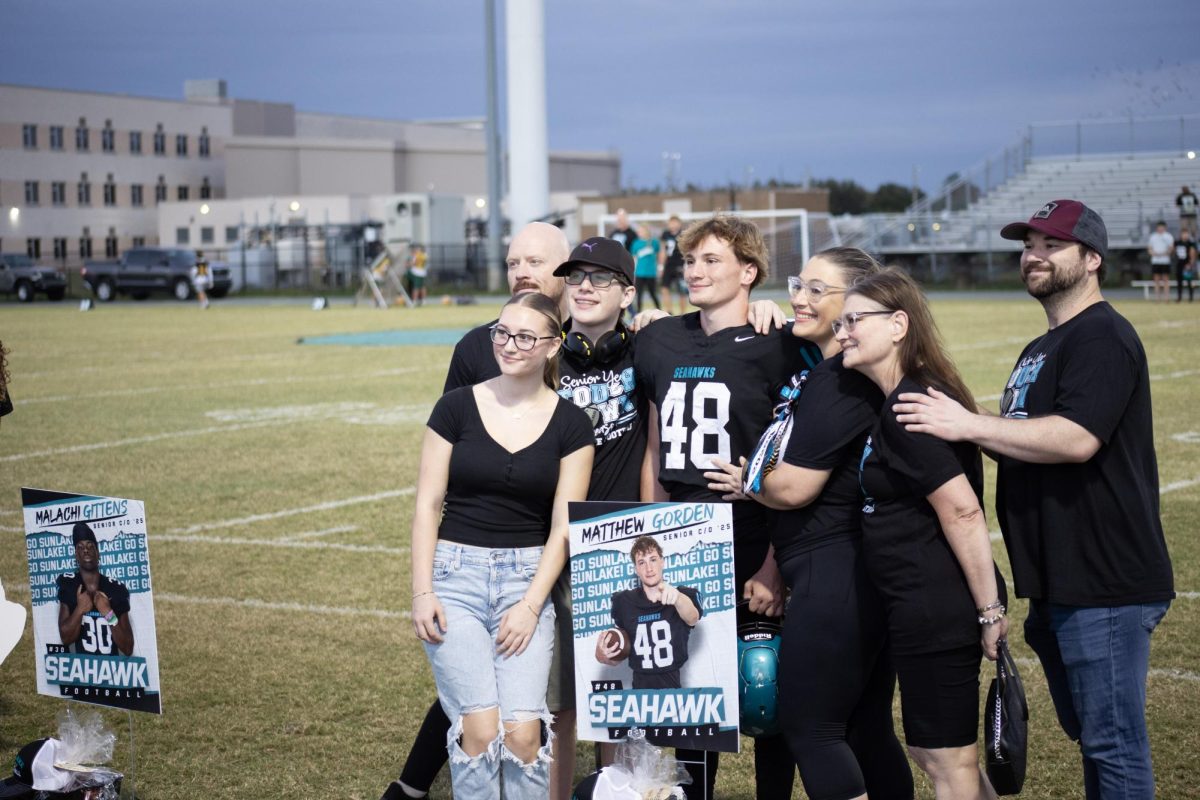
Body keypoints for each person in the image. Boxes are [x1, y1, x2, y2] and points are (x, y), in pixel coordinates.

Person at [893, 199, 1175, 799]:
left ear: (1092, 259)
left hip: (1106, 581)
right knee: (1096, 741)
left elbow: (1075, 439)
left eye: (1052, 245)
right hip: (1057, 581)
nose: (1034, 256)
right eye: (1028, 245)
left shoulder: (1102, 335)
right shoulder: (1040, 348)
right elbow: (1018, 442)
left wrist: (969, 424)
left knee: (1113, 745)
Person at [706, 247, 913, 800]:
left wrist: (751, 480)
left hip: (835, 571)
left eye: (818, 290)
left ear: (859, 304)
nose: (800, 296)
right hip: (837, 569)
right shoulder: (825, 370)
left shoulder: (843, 380)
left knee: (809, 727)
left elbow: (794, 487)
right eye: (800, 284)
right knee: (865, 729)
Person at [635, 214, 815, 800]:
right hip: (683, 535)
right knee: (693, 687)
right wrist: (651, 531)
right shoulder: (659, 337)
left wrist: (773, 564)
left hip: (754, 531)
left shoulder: (779, 343)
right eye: (691, 260)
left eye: (713, 260)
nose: (695, 270)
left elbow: (795, 454)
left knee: (766, 687)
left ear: (749, 271)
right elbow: (657, 445)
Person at [410, 291, 594, 800]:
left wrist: (532, 606)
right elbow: (428, 504)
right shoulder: (454, 408)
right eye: (502, 333)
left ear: (553, 347)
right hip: (456, 577)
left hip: (525, 581)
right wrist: (422, 592)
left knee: (523, 736)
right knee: (481, 731)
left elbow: (563, 526)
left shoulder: (573, 424)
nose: (510, 345)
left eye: (525, 337)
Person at [837, 268, 1007, 800]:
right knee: (938, 753)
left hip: (937, 604)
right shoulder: (903, 398)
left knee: (946, 759)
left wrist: (990, 611)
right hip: (920, 603)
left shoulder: (911, 406)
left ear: (898, 325)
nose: (842, 332)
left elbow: (962, 512)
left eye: (853, 321)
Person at [595, 536, 702, 689]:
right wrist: (603, 655)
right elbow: (621, 652)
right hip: (640, 698)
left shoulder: (682, 595)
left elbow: (692, 618)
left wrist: (677, 598)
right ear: (636, 569)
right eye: (641, 562)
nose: (649, 568)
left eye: (653, 559)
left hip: (675, 693)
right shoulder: (624, 602)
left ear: (662, 562)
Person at [57, 522, 134, 657]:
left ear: (98, 554)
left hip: (113, 672)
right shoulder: (69, 584)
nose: (85, 550)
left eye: (90, 546)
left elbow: (128, 647)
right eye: (80, 547)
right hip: (82, 672)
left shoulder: (116, 589)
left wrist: (108, 613)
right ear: (76, 555)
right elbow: (65, 638)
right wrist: (80, 609)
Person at [631, 224, 661, 314]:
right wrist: (633, 271)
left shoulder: (654, 242)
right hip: (639, 273)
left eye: (641, 231)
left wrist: (660, 267)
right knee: (639, 294)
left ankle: (659, 310)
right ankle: (638, 312)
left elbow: (659, 254)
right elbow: (634, 258)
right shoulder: (636, 243)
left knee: (653, 294)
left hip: (651, 273)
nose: (639, 233)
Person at [659, 215, 687, 314]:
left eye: (675, 222)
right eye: (671, 223)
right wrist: (661, 266)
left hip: (680, 265)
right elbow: (662, 250)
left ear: (679, 224)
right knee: (664, 288)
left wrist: (686, 265)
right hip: (668, 265)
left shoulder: (684, 234)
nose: (673, 225)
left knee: (682, 291)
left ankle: (682, 313)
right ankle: (669, 311)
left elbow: (687, 251)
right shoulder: (665, 234)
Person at [1147, 221, 1173, 302]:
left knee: (1166, 280)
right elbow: (1149, 248)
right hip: (1156, 261)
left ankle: (1166, 298)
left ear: (1165, 227)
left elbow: (1171, 248)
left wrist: (1165, 253)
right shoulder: (1153, 237)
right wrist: (1153, 253)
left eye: (1162, 227)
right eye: (1159, 227)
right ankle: (1157, 298)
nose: (1160, 228)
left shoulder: (1168, 236)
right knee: (1156, 280)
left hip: (1165, 261)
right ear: (1157, 227)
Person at [1175, 227, 1196, 302]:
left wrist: (1190, 263)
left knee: (1189, 281)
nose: (1185, 235)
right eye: (1183, 234)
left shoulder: (1190, 243)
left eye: (1186, 234)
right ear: (1181, 234)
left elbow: (1193, 254)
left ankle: (1191, 297)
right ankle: (1179, 297)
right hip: (1179, 264)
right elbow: (1174, 251)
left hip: (1187, 264)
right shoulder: (1177, 242)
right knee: (1179, 282)